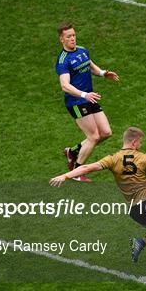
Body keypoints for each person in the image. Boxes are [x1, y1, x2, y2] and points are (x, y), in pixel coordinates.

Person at [49, 126, 146, 263]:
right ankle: (140, 242)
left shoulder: (113, 158)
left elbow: (88, 167)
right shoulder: (143, 158)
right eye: (140, 142)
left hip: (134, 211)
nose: (140, 145)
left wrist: (65, 176)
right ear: (134, 142)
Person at [55, 22, 120, 182]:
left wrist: (104, 73)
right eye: (68, 36)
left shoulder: (82, 51)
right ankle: (77, 172)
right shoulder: (63, 61)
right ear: (61, 39)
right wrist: (84, 95)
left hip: (89, 97)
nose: (72, 39)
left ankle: (73, 151)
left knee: (106, 132)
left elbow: (90, 66)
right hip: (76, 102)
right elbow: (65, 86)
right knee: (93, 136)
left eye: (73, 35)